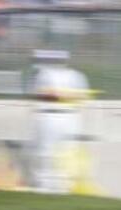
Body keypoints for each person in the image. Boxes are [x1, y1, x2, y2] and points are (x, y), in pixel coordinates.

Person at [28, 49, 92, 194]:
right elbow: (37, 93)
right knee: (44, 151)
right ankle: (43, 184)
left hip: (70, 115)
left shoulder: (77, 75)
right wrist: (55, 95)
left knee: (68, 150)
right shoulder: (43, 74)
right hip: (48, 114)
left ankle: (64, 184)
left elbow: (84, 96)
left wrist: (65, 95)